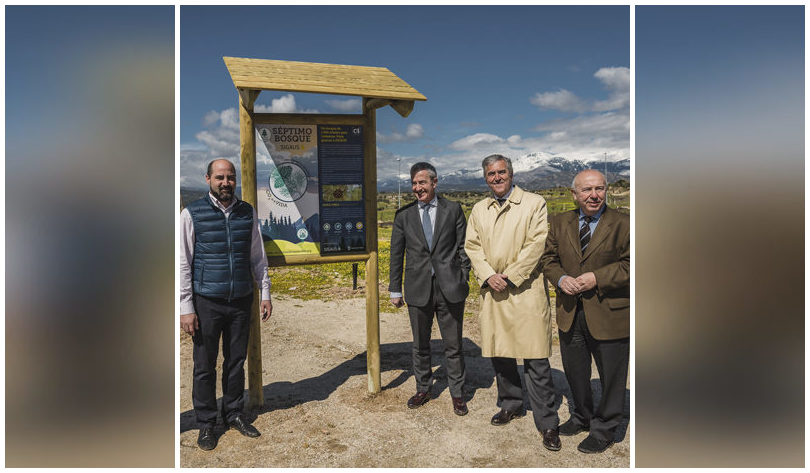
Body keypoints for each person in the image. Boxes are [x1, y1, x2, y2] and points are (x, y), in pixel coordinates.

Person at [464, 154, 561, 452]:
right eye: (491, 174)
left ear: (511, 173)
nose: (496, 177)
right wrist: (488, 275)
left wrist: (511, 275)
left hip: (525, 289)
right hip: (493, 289)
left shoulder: (534, 203)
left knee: (536, 357)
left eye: (501, 172)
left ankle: (547, 422)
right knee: (501, 354)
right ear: (485, 178)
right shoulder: (479, 209)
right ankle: (511, 403)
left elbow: (537, 244)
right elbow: (472, 246)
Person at [179, 159, 273, 451]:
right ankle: (206, 423)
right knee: (204, 366)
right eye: (219, 177)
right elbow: (183, 262)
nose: (225, 182)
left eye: (230, 177)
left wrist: (265, 292)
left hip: (241, 299)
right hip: (206, 300)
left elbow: (257, 257)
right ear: (208, 178)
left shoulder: (247, 212)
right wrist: (185, 307)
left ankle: (233, 413)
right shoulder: (191, 213)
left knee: (236, 362)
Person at [540, 169, 629, 454]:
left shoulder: (624, 223)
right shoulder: (559, 221)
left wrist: (597, 278)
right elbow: (549, 259)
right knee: (576, 371)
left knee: (612, 376)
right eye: (587, 190)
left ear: (606, 190)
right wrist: (561, 279)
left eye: (600, 189)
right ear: (574, 194)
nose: (594, 195)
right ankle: (582, 416)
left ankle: (605, 428)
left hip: (609, 312)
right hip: (570, 310)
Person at [389, 162, 471, 416]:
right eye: (414, 183)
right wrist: (395, 289)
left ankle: (457, 393)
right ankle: (423, 388)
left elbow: (463, 248)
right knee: (420, 344)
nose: (417, 188)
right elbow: (396, 254)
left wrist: (462, 278)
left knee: (453, 345)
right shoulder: (404, 216)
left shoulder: (453, 210)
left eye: (422, 183)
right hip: (417, 288)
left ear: (434, 183)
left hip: (450, 288)